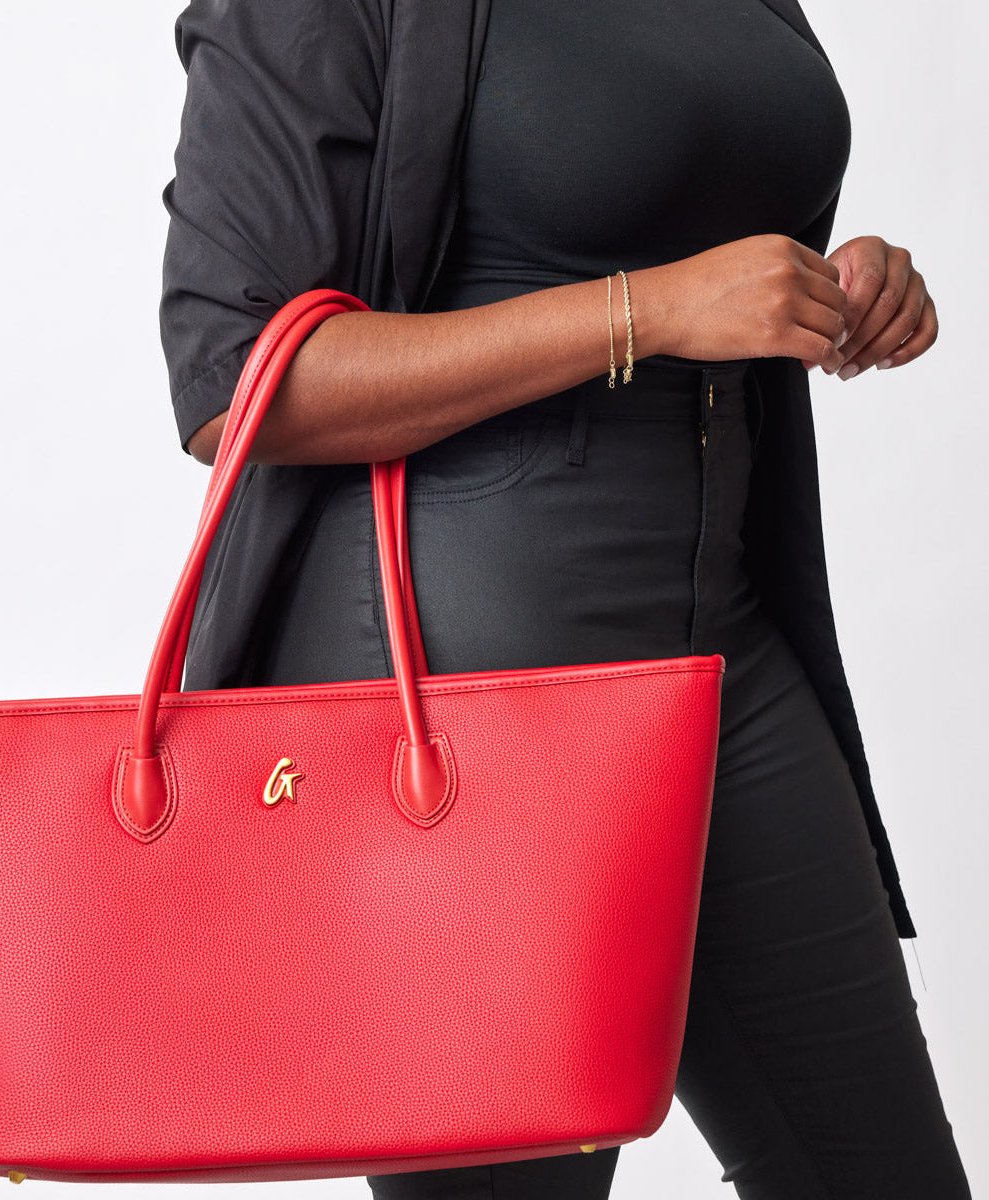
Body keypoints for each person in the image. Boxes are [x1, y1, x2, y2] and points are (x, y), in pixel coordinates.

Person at [157, 1, 970, 1196]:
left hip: (724, 665)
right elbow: (238, 385)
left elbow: (712, 217)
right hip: (471, 713)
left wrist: (839, 289)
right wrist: (647, 309)